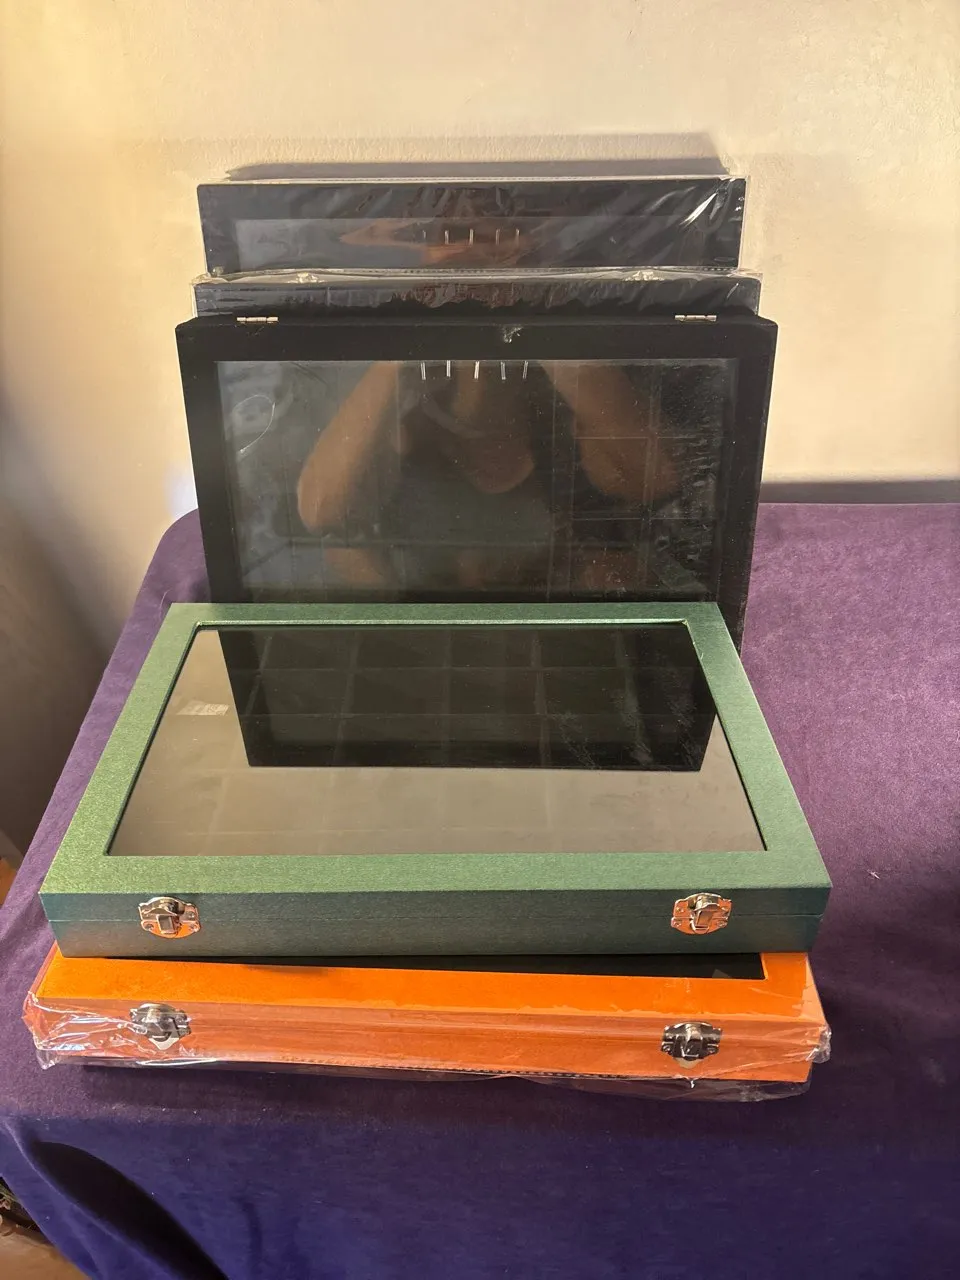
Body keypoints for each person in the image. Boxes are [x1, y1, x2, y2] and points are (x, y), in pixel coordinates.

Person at [295, 356, 681, 595]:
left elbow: (657, 477)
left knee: (615, 570)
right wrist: (405, 341)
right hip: (430, 638)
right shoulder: (408, 433)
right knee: (346, 555)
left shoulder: (566, 433)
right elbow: (322, 511)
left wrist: (539, 312)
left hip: (550, 630)